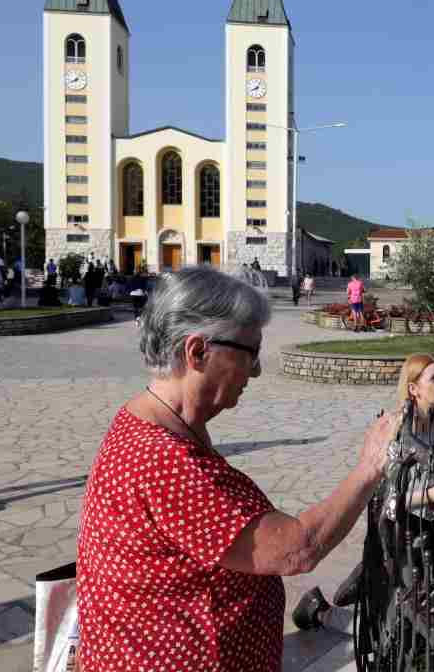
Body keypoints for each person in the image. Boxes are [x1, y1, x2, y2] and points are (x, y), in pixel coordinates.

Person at [76, 267, 403, 671]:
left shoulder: (160, 423)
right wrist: (370, 466)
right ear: (197, 352)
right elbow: (296, 550)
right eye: (250, 352)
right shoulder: (164, 459)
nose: (257, 370)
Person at [292, 353, 434, 632]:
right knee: (387, 629)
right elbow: (387, 500)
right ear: (413, 388)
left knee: (416, 604)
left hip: (428, 529)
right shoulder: (398, 431)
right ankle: (318, 610)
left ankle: (365, 579)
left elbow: (432, 477)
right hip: (398, 530)